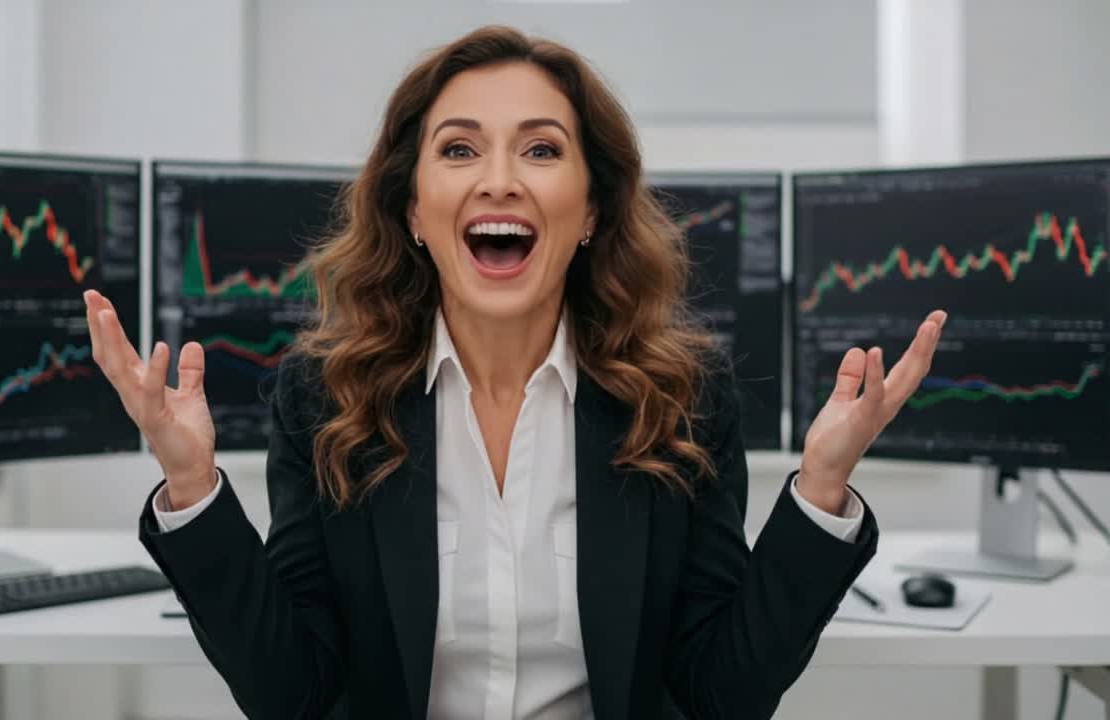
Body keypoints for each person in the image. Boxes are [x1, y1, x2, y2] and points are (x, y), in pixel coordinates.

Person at [83, 25, 945, 720]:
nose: (500, 180)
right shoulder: (327, 401)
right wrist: (193, 485)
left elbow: (721, 695)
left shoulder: (681, 402)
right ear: (415, 210)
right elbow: (293, 695)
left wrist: (822, 489)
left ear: (591, 209)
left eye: (540, 150)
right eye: (459, 151)